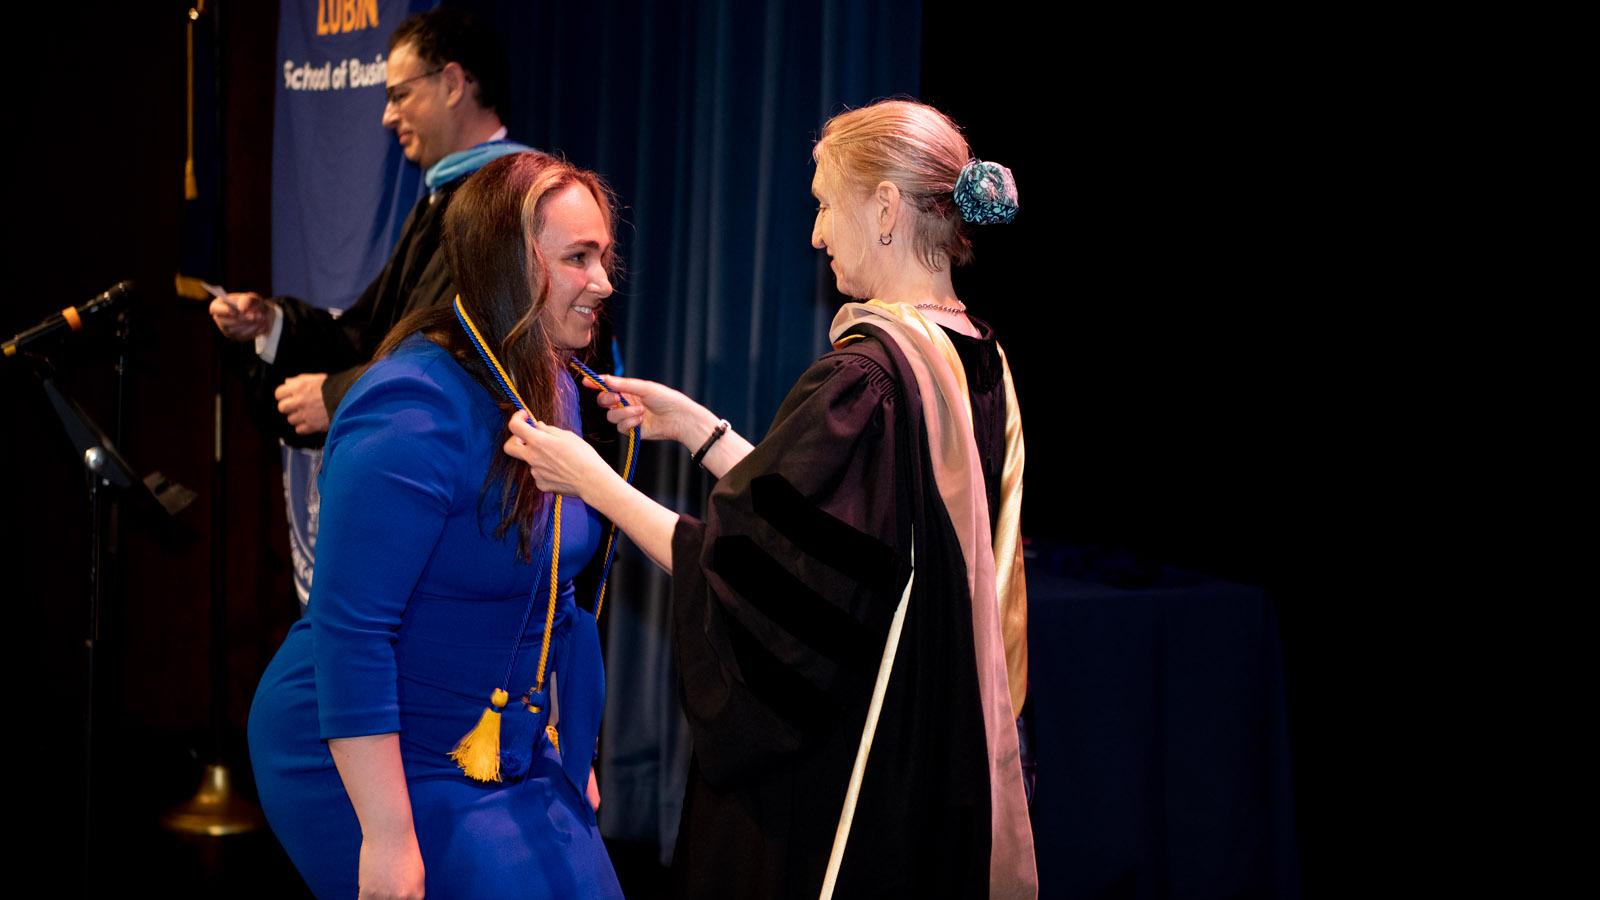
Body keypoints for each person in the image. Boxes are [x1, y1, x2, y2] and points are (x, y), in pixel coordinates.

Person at [506, 99, 1037, 898]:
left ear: (885, 208)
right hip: (936, 754)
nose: (818, 232)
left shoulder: (867, 378)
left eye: (825, 203)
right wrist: (696, 428)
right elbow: (827, 531)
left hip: (854, 777)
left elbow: (758, 580)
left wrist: (592, 481)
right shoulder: (972, 356)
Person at [247, 152, 624, 899]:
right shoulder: (410, 411)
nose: (604, 282)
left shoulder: (552, 381)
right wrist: (388, 839)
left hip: (495, 744)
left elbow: (553, 591)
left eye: (605, 256)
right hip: (369, 752)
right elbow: (352, 634)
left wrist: (557, 737)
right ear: (507, 266)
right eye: (578, 257)